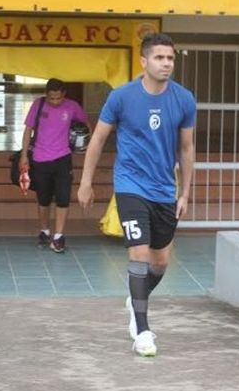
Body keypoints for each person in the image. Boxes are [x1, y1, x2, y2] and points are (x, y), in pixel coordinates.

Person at [77, 33, 196, 357]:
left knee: (160, 262)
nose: (166, 63)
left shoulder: (184, 99)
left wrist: (184, 193)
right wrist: (86, 182)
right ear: (144, 61)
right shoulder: (122, 97)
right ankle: (143, 330)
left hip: (164, 189)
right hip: (130, 186)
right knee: (139, 255)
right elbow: (98, 139)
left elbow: (186, 148)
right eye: (159, 58)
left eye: (170, 58)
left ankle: (137, 296)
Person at [20, 79, 88, 253]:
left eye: (58, 98)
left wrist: (83, 143)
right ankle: (44, 231)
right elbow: (28, 130)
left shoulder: (72, 106)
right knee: (43, 198)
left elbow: (86, 125)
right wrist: (23, 156)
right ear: (46, 94)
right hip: (40, 158)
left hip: (63, 159)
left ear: (63, 94)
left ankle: (58, 236)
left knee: (63, 198)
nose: (55, 101)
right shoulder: (38, 105)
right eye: (51, 98)